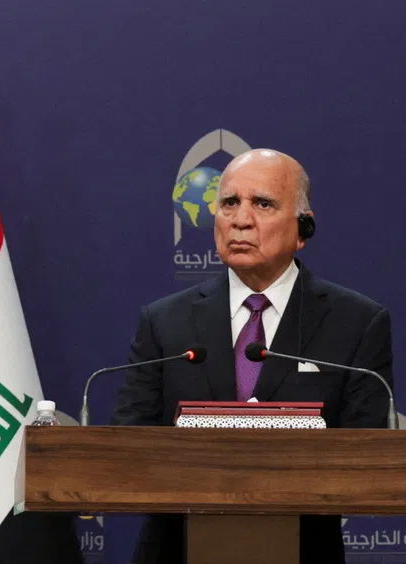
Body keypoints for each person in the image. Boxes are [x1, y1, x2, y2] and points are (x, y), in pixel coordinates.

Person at [112, 148, 393, 564]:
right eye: (229, 203)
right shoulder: (163, 322)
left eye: (263, 203)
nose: (240, 220)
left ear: (303, 229)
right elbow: (127, 447)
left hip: (300, 550)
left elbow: (365, 462)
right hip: (177, 550)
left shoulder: (356, 323)